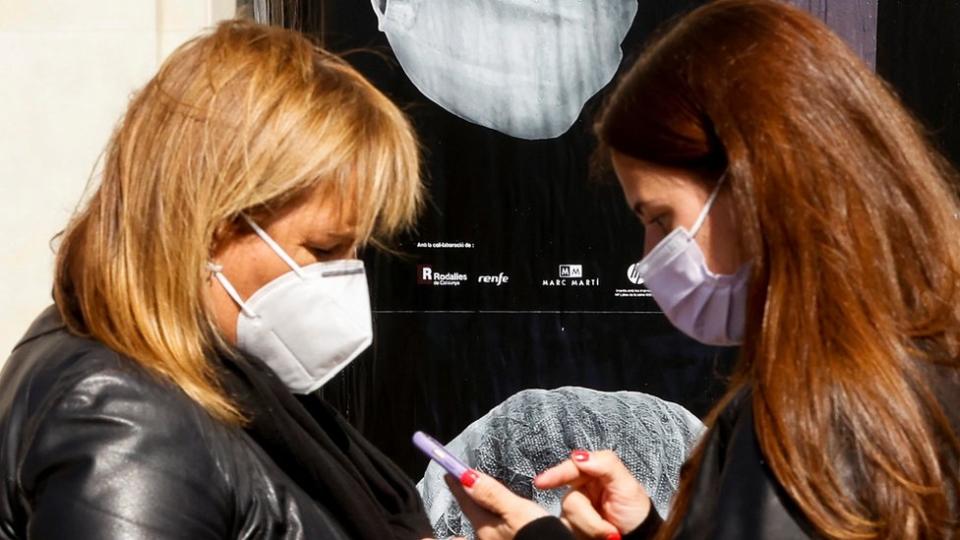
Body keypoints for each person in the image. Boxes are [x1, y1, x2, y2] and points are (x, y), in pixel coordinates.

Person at [446, 1, 960, 538]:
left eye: (661, 219)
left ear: (758, 185)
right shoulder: (894, 370)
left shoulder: (825, 416)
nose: (648, 258)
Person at [0, 20, 434, 539]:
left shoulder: (223, 384)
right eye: (323, 249)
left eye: (354, 251)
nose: (345, 277)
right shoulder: (130, 418)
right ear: (211, 228)